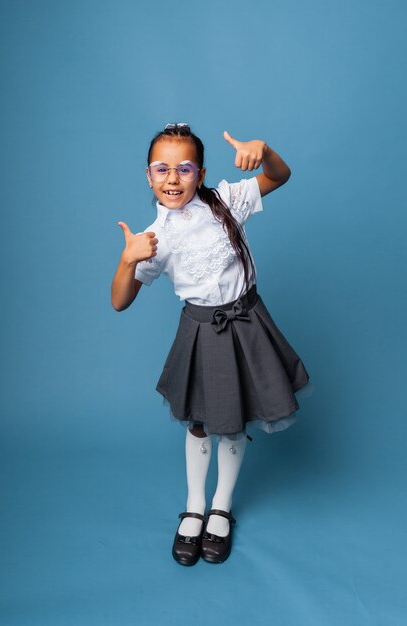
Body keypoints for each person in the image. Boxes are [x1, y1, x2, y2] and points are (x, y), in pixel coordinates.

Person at [111, 123, 313, 566]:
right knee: (200, 423)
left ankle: (221, 506)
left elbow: (279, 175)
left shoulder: (226, 201)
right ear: (148, 176)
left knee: (234, 420)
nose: (172, 178)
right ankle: (195, 506)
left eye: (184, 169)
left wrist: (265, 149)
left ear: (200, 175)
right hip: (201, 330)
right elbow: (120, 302)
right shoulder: (154, 239)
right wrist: (128, 260)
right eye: (161, 169)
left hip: (246, 323)